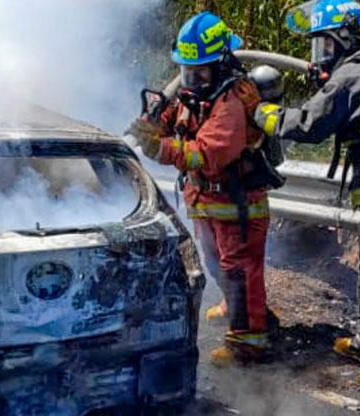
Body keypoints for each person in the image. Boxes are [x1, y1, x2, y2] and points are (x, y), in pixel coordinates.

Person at [253, 0, 360, 386]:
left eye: (325, 47)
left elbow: (311, 124)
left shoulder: (352, 75)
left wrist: (264, 114)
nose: (320, 57)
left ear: (345, 39)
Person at [127, 11, 271, 365]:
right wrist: (154, 122)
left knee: (238, 269)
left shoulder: (232, 101)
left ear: (220, 63)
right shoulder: (200, 93)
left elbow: (208, 154)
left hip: (237, 203)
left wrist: (159, 148)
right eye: (187, 71)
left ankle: (248, 343)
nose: (191, 79)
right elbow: (175, 116)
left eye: (200, 71)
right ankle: (236, 309)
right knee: (215, 262)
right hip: (208, 199)